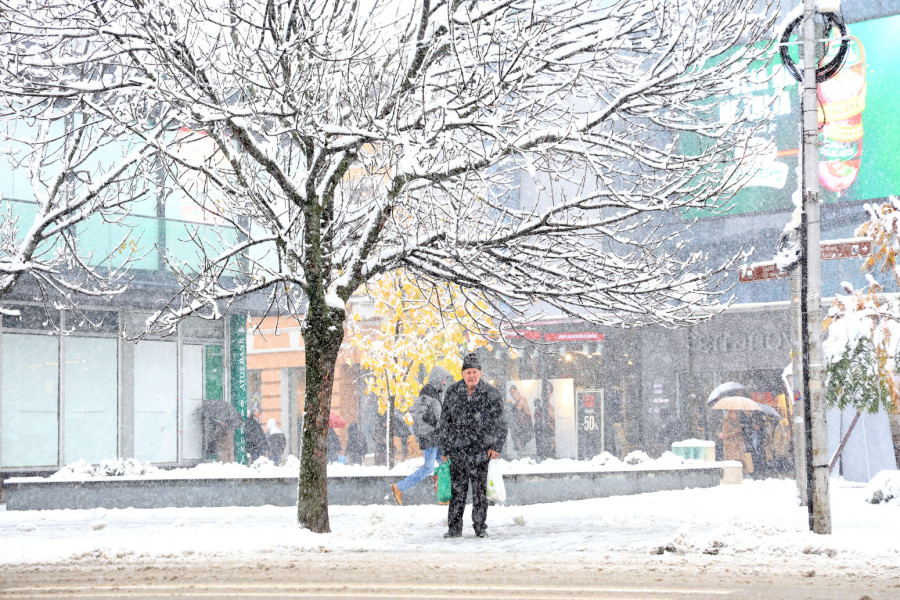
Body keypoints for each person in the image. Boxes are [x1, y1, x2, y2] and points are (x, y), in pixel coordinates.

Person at [439, 353, 507, 539]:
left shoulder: (491, 393)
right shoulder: (452, 392)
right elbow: (445, 422)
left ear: (480, 373)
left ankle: (480, 527)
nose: (472, 375)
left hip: (481, 452)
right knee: (457, 493)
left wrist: (496, 447)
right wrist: (444, 449)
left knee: (480, 494)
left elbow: (500, 423)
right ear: (462, 374)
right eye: (468, 372)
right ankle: (454, 529)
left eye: (475, 372)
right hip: (457, 452)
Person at [389, 365, 452, 505]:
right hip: (429, 436)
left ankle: (444, 496)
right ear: (437, 378)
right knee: (428, 467)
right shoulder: (428, 391)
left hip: (435, 436)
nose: (444, 382)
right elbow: (421, 413)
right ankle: (398, 487)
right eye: (443, 379)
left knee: (445, 464)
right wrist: (438, 424)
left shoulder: (435, 392)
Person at [533, 380, 556, 461]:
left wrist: (548, 423)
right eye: (544, 389)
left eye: (548, 389)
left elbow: (555, 429)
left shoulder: (552, 410)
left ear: (551, 393)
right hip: (539, 444)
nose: (546, 392)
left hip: (549, 443)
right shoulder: (538, 407)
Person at [508, 385, 534, 456]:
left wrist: (510, 408)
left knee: (521, 446)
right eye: (511, 394)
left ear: (517, 390)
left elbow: (515, 412)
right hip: (520, 428)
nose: (513, 395)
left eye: (513, 392)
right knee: (519, 447)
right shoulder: (516, 402)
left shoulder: (522, 400)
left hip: (526, 427)